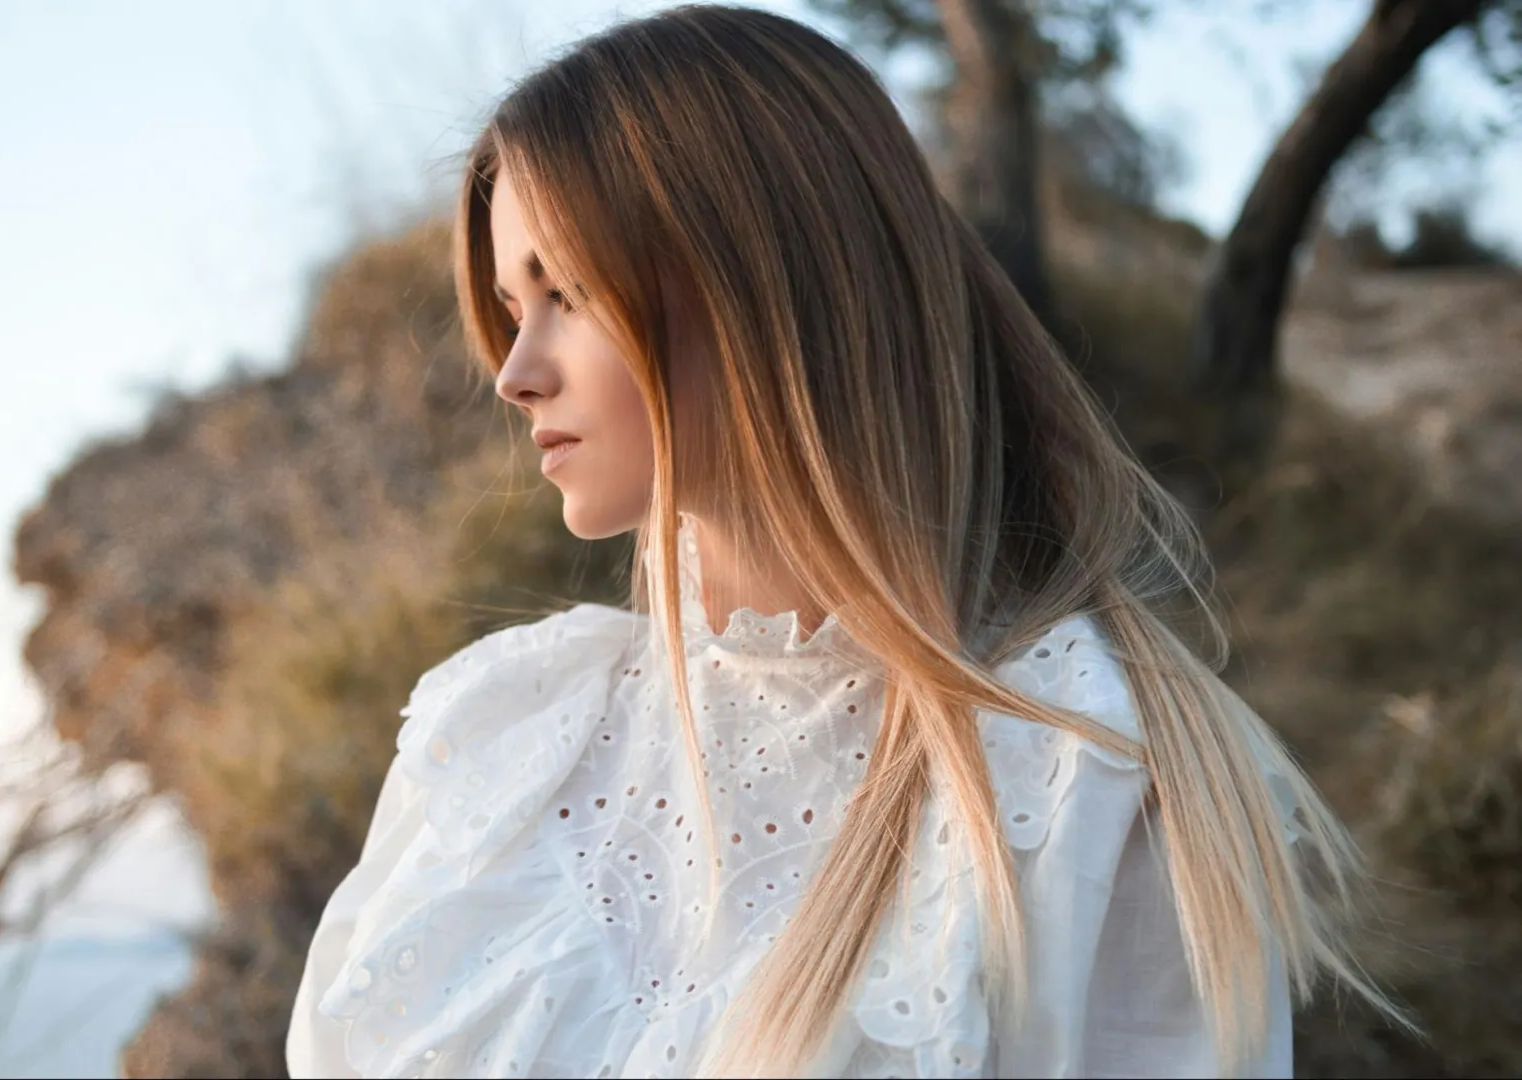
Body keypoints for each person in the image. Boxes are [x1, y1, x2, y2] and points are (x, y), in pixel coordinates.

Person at [285, 5, 1408, 1077]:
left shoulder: (1090, 782)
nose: (515, 373)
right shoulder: (506, 735)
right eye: (509, 307)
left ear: (762, 281)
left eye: (566, 293)